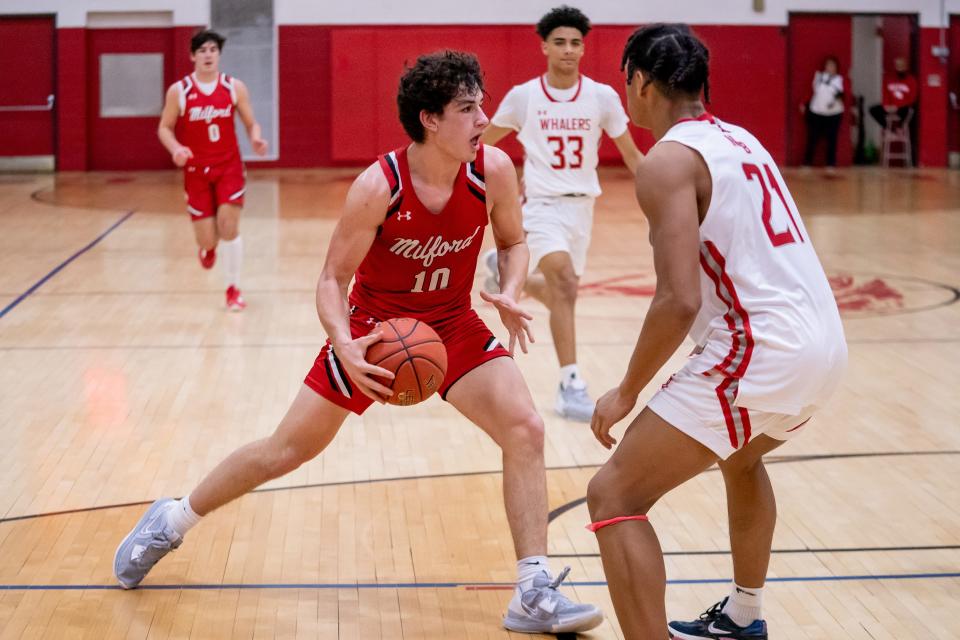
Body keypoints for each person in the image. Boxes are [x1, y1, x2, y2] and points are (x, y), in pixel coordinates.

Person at [116, 50, 603, 635]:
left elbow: (514, 241)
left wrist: (512, 288)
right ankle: (171, 520)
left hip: (452, 322)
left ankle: (531, 590)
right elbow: (330, 280)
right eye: (468, 109)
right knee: (285, 451)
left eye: (482, 106)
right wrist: (344, 344)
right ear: (429, 118)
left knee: (525, 428)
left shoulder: (492, 170)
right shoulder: (379, 186)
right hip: (377, 332)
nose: (483, 120)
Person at [583, 24, 847, 639]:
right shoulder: (742, 141)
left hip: (764, 350)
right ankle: (744, 615)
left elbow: (678, 299)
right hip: (825, 348)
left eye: (627, 81)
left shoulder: (666, 161)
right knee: (743, 459)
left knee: (612, 497)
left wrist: (626, 392)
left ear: (641, 82)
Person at [481, 5, 641, 422]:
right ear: (545, 47)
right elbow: (482, 145)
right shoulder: (525, 96)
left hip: (582, 208)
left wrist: (669, 196)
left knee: (560, 294)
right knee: (566, 284)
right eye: (560, 43)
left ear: (583, 48)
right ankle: (571, 385)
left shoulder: (602, 97)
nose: (568, 50)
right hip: (541, 207)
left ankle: (503, 272)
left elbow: (631, 155)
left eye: (575, 43)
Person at [158, 29, 268, 311]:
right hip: (195, 172)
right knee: (208, 236)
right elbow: (164, 128)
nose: (208, 55)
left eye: (213, 50)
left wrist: (255, 137)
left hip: (228, 166)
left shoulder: (233, 87)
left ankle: (233, 288)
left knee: (228, 227)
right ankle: (207, 248)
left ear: (218, 55)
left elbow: (250, 122)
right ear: (193, 56)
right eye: (202, 50)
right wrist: (176, 149)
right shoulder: (180, 91)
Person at [802, 56, 844, 167]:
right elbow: (811, 91)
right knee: (813, 137)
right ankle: (807, 162)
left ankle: (831, 163)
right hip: (816, 111)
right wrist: (803, 103)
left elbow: (842, 94)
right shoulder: (819, 77)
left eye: (832, 65)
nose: (830, 67)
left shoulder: (839, 80)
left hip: (834, 113)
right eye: (828, 65)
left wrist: (837, 99)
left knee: (832, 139)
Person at [868, 56, 917, 131]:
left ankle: (900, 129)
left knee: (907, 110)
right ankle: (889, 129)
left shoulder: (911, 80)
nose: (900, 68)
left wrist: (898, 106)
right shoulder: (889, 80)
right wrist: (886, 105)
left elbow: (912, 98)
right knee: (873, 110)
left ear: (905, 67)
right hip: (891, 106)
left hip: (903, 107)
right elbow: (885, 94)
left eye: (902, 66)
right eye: (898, 66)